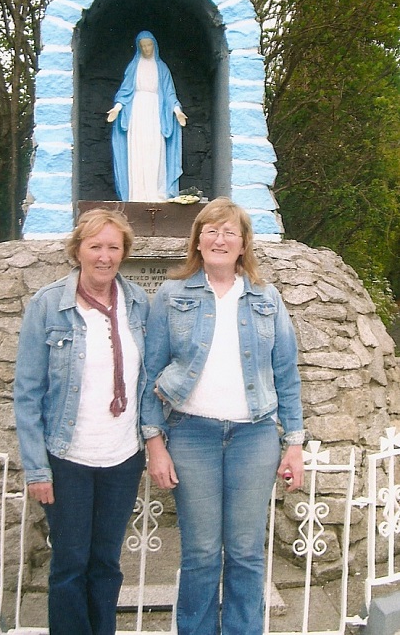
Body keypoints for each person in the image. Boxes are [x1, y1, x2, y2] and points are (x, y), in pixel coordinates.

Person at [141, 197, 305, 635]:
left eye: (229, 231)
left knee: (247, 550)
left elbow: (286, 374)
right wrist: (154, 442)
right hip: (191, 435)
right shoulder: (172, 296)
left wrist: (294, 444)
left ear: (243, 244)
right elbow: (149, 372)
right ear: (197, 240)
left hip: (255, 438)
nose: (219, 238)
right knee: (200, 551)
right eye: (210, 230)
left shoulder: (267, 299)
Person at [14, 208, 150, 635]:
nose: (104, 256)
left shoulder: (138, 304)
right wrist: (37, 467)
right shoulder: (49, 305)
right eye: (95, 246)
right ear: (78, 251)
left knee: (106, 563)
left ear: (124, 253)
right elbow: (28, 391)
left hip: (122, 457)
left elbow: (150, 376)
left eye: (113, 247)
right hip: (68, 456)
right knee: (71, 564)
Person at [107, 30, 187, 202]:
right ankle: (137, 194)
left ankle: (157, 192)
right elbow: (125, 91)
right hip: (137, 112)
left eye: (149, 45)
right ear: (139, 47)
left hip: (155, 113)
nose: (146, 49)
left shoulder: (162, 68)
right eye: (143, 46)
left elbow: (169, 92)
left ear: (154, 46)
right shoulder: (133, 66)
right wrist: (117, 107)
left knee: (155, 149)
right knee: (138, 150)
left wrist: (177, 110)